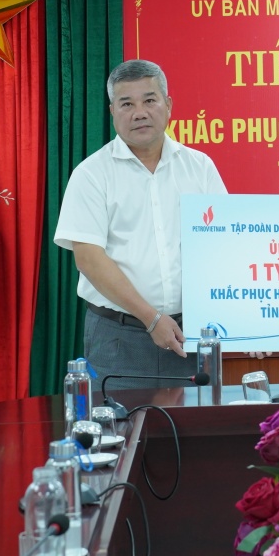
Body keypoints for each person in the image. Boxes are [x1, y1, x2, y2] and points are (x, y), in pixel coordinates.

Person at [54, 59, 226, 390]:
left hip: (191, 336)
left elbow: (223, 244)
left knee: (196, 421)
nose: (140, 113)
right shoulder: (91, 174)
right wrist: (152, 318)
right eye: (127, 104)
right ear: (112, 112)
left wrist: (245, 321)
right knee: (120, 424)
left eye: (149, 100)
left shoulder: (200, 167)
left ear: (168, 105)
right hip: (119, 337)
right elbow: (89, 258)